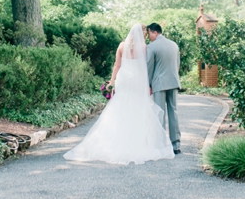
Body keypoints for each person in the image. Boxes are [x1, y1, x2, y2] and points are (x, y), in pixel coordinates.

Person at [63, 23, 174, 164]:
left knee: (120, 107)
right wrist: (148, 85)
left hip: (124, 79)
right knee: (137, 108)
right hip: (137, 79)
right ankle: (136, 142)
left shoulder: (122, 46)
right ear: (143, 34)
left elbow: (117, 65)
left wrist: (111, 82)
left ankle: (115, 140)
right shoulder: (145, 48)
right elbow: (146, 67)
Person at [146, 22, 182, 154]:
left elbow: (149, 67)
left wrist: (148, 84)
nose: (148, 36)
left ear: (155, 32)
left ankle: (160, 145)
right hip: (173, 81)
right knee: (174, 112)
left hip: (159, 84)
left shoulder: (152, 47)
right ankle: (176, 145)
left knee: (159, 113)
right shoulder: (174, 45)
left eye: (149, 33)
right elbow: (177, 64)